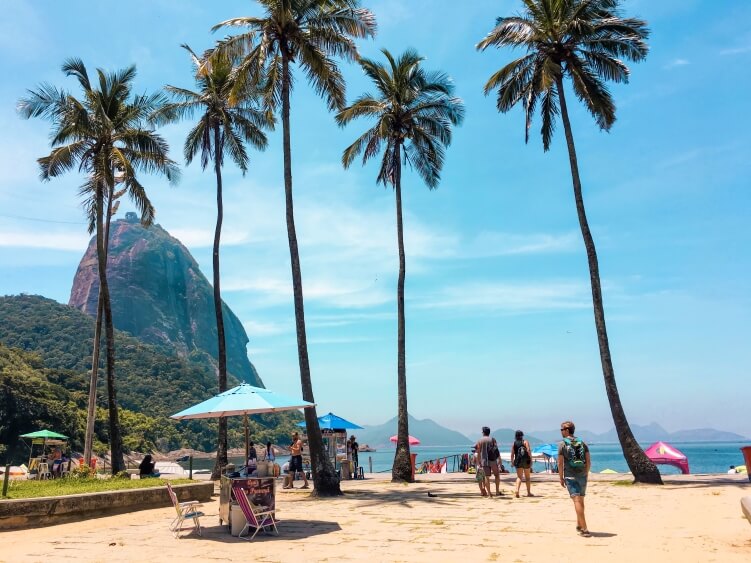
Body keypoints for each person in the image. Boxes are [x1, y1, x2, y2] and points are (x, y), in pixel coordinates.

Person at [558, 420, 591, 537]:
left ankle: (585, 529)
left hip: (570, 476)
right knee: (581, 500)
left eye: (562, 429)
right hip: (582, 475)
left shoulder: (563, 444)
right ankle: (579, 524)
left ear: (567, 430)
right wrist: (585, 473)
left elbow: (560, 463)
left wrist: (561, 477)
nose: (561, 432)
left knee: (576, 501)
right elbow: (588, 461)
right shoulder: (583, 443)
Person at [511, 430, 533, 498]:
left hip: (518, 461)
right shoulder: (525, 442)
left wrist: (512, 462)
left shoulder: (514, 443)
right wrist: (531, 460)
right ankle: (528, 493)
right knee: (528, 477)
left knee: (519, 477)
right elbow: (528, 451)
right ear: (522, 436)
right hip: (526, 461)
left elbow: (512, 454)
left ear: (516, 436)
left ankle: (517, 490)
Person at [475, 426, 494, 497]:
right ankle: (488, 492)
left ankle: (488, 493)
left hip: (484, 460)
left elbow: (478, 452)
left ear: (483, 432)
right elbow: (495, 450)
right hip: (491, 460)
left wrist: (478, 461)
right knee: (487, 477)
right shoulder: (492, 440)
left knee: (485, 477)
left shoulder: (480, 440)